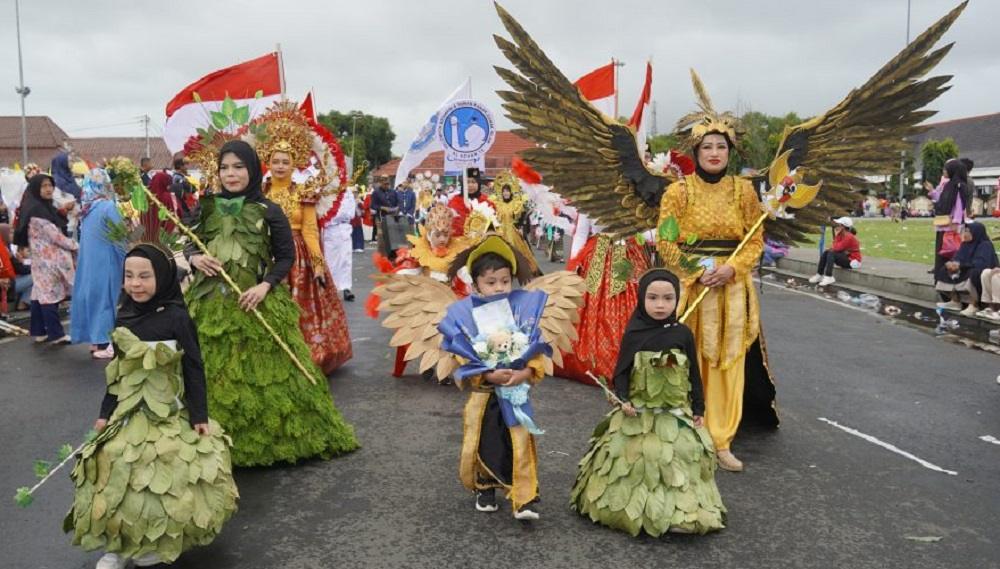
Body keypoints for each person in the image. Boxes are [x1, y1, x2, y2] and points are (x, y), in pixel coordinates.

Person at [185, 140, 357, 466]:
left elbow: (286, 256)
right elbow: (189, 241)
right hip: (211, 303)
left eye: (238, 167)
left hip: (256, 302)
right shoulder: (205, 207)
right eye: (224, 168)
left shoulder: (270, 210)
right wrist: (195, 259)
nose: (231, 174)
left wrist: (265, 286)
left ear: (252, 169)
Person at [68, 244, 238, 569]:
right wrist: (104, 414)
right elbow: (117, 372)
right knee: (112, 465)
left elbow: (193, 366)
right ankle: (116, 546)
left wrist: (199, 414)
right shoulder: (124, 315)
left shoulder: (177, 317)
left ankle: (154, 542)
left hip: (168, 408)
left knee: (160, 474)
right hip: (129, 409)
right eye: (129, 276)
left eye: (144, 276)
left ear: (161, 276)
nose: (136, 283)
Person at [657, 129, 778, 473]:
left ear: (730, 152)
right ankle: (685, 435)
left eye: (721, 147)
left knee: (728, 363)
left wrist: (731, 269)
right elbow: (665, 242)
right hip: (693, 288)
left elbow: (754, 240)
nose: (714, 152)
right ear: (696, 152)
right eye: (707, 146)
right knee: (687, 359)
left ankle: (720, 440)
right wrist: (696, 271)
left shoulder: (744, 191)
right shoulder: (678, 192)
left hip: (732, 289)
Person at [570, 269, 725, 536]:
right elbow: (622, 371)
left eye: (668, 298)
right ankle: (633, 513)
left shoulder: (683, 334)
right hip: (638, 414)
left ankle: (679, 514)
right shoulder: (634, 333)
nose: (660, 305)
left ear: (677, 299)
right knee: (637, 463)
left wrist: (698, 407)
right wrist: (623, 399)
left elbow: (693, 373)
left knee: (676, 461)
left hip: (673, 413)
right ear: (642, 299)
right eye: (653, 298)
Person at [437, 236, 547, 520]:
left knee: (519, 442)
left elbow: (536, 351)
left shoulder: (523, 313)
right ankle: (485, 488)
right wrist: (487, 374)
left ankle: (524, 498)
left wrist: (525, 372)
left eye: (505, 281)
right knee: (487, 443)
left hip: (515, 396)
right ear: (475, 286)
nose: (499, 287)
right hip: (485, 398)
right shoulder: (466, 316)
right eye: (491, 282)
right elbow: (461, 358)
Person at [262, 139, 352, 373]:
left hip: (298, 258)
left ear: (293, 165)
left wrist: (318, 265)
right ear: (268, 163)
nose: (280, 166)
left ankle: (305, 358)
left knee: (299, 309)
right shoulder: (260, 193)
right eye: (275, 161)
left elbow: (310, 231)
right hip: (266, 254)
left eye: (285, 162)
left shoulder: (304, 193)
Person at [13, 174, 77, 344]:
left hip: (41, 260)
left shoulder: (38, 206)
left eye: (50, 185)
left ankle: (39, 331)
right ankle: (56, 334)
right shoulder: (38, 211)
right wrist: (76, 245)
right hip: (48, 262)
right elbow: (56, 236)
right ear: (36, 188)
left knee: (38, 295)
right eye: (44, 186)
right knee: (49, 297)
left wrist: (62, 211)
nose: (49, 189)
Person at [70, 170, 126, 358]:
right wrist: (127, 259)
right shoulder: (108, 207)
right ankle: (104, 342)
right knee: (106, 300)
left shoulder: (87, 208)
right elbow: (120, 237)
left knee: (92, 298)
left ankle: (95, 340)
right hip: (107, 261)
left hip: (88, 263)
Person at [935, 222, 998, 316]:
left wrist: (961, 265)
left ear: (975, 233)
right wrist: (952, 263)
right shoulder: (965, 244)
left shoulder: (985, 245)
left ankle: (974, 304)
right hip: (966, 267)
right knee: (944, 270)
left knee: (973, 273)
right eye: (965, 231)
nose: (965, 233)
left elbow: (981, 263)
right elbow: (958, 257)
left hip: (980, 270)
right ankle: (955, 301)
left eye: (968, 231)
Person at [930, 159, 973, 276]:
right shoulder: (948, 185)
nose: (944, 171)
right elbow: (942, 200)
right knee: (941, 252)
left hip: (951, 225)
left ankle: (947, 277)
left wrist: (956, 222)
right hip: (943, 224)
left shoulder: (958, 186)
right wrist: (932, 191)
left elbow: (959, 206)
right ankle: (939, 277)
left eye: (946, 169)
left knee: (949, 251)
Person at [321, 186, 358, 301]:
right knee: (331, 261)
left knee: (346, 259)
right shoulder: (327, 190)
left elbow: (350, 212)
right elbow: (326, 212)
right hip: (331, 228)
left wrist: (341, 216)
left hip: (345, 227)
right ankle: (332, 288)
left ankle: (346, 288)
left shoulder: (348, 192)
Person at [808, 216, 862, 286]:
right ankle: (819, 274)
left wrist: (834, 245)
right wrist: (834, 244)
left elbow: (837, 248)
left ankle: (829, 276)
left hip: (853, 262)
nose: (835, 226)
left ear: (843, 226)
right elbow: (834, 247)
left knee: (831, 253)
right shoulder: (840, 234)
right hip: (846, 257)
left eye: (838, 224)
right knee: (826, 252)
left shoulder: (849, 236)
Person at [447, 169, 492, 236]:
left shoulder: (487, 202)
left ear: (478, 184)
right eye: (467, 182)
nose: (470, 185)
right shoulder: (453, 202)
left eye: (473, 182)